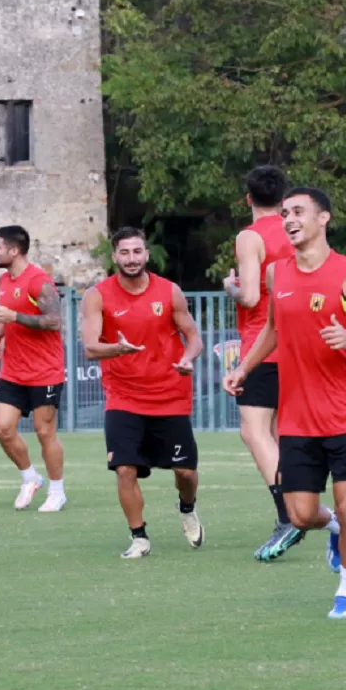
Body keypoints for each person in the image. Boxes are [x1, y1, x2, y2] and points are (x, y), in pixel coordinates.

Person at [224, 187, 346, 619]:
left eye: (299, 211)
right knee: (300, 514)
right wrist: (243, 368)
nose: (289, 219)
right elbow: (272, 330)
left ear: (324, 218)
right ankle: (334, 528)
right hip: (298, 416)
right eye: (285, 213)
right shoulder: (275, 274)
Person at [82, 227, 204, 558]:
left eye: (137, 252)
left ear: (146, 255)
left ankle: (187, 507)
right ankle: (139, 537)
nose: (132, 258)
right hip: (123, 396)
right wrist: (117, 350)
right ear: (115, 257)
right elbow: (91, 348)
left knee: (186, 472)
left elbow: (194, 338)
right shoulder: (98, 295)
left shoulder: (170, 292)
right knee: (125, 469)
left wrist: (187, 358)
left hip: (170, 394)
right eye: (125, 252)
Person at [222, 165, 304, 561]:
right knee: (273, 432)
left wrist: (231, 287)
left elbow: (252, 297)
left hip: (263, 347)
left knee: (253, 433)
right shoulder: (296, 230)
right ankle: (299, 509)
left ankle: (290, 515)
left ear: (248, 199)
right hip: (298, 344)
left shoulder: (249, 236)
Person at [0, 226, 68, 512]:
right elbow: (10, 315)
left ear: (14, 250)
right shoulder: (4, 280)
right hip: (13, 370)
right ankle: (30, 477)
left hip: (45, 370)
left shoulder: (39, 280)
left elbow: (54, 321)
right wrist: (0, 331)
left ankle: (57, 491)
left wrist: (14, 317)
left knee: (44, 432)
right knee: (2, 429)